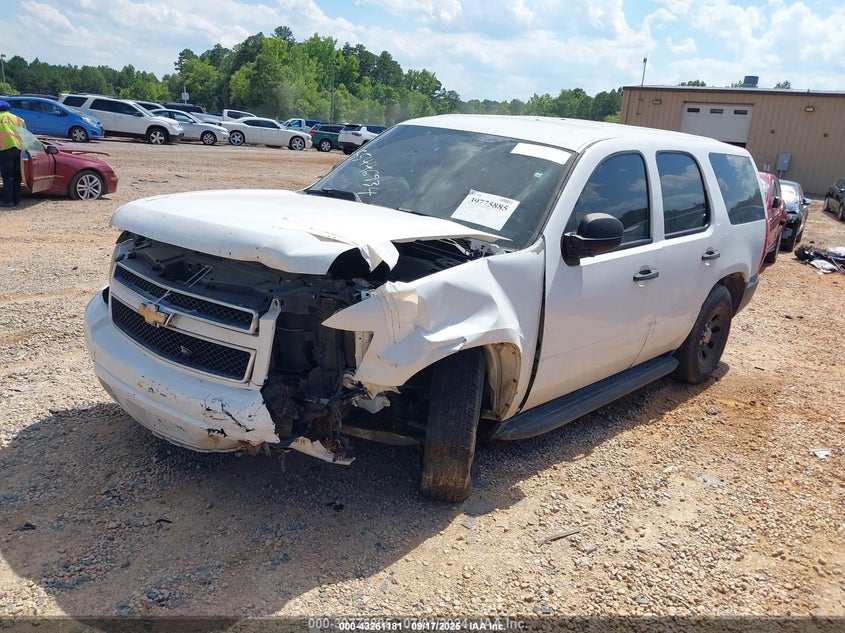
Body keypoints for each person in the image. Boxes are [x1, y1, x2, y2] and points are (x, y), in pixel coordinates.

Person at [0, 100, 26, 208]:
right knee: (16, 175)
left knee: (7, 175)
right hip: (18, 149)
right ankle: (16, 200)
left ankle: (7, 201)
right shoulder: (19, 119)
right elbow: (25, 135)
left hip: (4, 148)